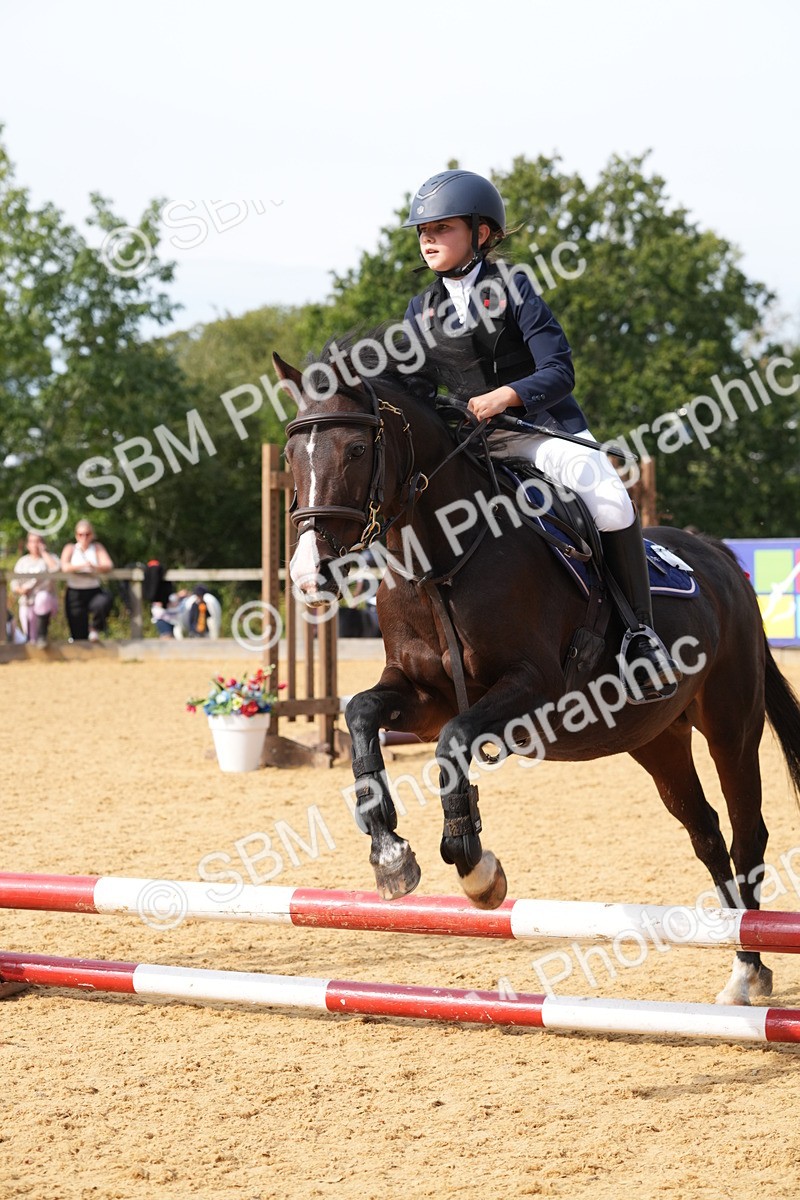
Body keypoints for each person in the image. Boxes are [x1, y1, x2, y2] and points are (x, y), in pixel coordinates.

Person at [402, 168, 681, 703]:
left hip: (539, 430)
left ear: (481, 234)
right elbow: (416, 386)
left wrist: (505, 396)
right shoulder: (422, 309)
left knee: (610, 501)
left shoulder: (514, 286)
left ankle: (641, 638)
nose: (428, 239)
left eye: (441, 227)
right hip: (472, 447)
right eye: (423, 231)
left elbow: (559, 371)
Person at [60, 520, 114, 642]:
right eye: (80, 534)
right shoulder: (70, 548)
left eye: (87, 534)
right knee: (78, 634)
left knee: (103, 602)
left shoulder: (97, 548)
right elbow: (64, 567)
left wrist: (95, 568)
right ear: (76, 535)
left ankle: (94, 628)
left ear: (92, 535)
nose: (84, 537)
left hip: (93, 590)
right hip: (74, 592)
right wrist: (82, 566)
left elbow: (108, 565)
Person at [10, 532, 60, 647]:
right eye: (32, 541)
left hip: (46, 603)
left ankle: (43, 635)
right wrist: (20, 590)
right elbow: (14, 583)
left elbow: (57, 569)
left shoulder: (49, 558)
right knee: (31, 638)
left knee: (42, 598)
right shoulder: (23, 562)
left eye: (38, 541)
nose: (35, 544)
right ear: (28, 544)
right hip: (27, 602)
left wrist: (44, 552)